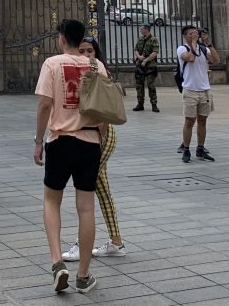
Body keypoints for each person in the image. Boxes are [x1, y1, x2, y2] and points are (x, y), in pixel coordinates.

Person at [33, 18, 102, 294]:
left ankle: (57, 262)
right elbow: (104, 108)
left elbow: (44, 105)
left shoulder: (52, 63)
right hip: (89, 140)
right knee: (86, 207)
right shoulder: (96, 66)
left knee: (52, 201)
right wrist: (101, 137)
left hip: (60, 141)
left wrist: (38, 141)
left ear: (62, 38)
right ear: (81, 38)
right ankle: (83, 275)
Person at [63, 37, 125, 263]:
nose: (87, 54)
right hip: (90, 137)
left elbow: (105, 112)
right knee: (101, 189)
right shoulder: (78, 72)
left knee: (85, 189)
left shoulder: (99, 72)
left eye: (90, 51)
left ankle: (82, 243)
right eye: (82, 50)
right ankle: (116, 242)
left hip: (101, 137)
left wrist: (100, 138)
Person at [177, 26, 220, 163]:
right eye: (191, 34)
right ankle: (187, 149)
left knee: (203, 120)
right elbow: (190, 58)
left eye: (196, 33)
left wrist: (209, 43)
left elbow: (216, 59)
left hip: (205, 90)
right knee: (189, 121)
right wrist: (194, 42)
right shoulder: (182, 49)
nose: (194, 35)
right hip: (190, 90)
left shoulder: (203, 49)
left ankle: (200, 149)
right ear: (185, 36)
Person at [132, 22, 160, 113]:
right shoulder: (140, 39)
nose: (140, 29)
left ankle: (154, 104)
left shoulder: (153, 40)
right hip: (139, 66)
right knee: (139, 86)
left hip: (150, 67)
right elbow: (136, 49)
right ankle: (140, 104)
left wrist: (145, 60)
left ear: (146, 29)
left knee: (151, 86)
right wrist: (139, 57)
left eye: (142, 28)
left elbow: (155, 52)